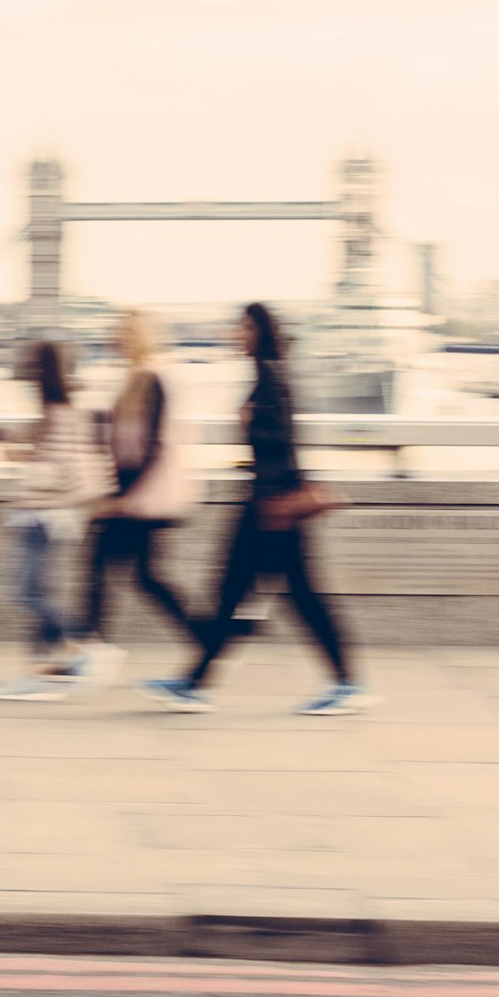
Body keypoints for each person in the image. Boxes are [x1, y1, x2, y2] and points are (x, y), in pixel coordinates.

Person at [145, 301, 362, 715]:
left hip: (272, 508)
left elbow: (283, 445)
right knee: (236, 594)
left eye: (243, 327)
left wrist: (274, 490)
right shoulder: (269, 374)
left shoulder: (271, 376)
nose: (236, 334)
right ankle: (194, 682)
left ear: (260, 330)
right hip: (266, 504)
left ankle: (346, 684)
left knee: (297, 597)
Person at [64, 308, 199, 684]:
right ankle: (206, 637)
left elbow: (154, 445)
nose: (115, 338)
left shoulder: (153, 378)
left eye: (122, 331)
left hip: (145, 497)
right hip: (134, 494)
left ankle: (92, 649)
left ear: (140, 336)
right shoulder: (133, 379)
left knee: (103, 566)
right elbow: (116, 437)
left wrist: (124, 498)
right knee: (142, 576)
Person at [0, 339, 102, 701]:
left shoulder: (59, 413)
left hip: (42, 518)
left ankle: (83, 641)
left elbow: (60, 471)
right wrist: (16, 448)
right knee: (38, 592)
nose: (24, 370)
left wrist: (28, 472)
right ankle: (41, 669)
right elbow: (47, 457)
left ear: (41, 370)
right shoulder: (56, 411)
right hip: (44, 517)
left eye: (30, 364)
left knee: (23, 591)